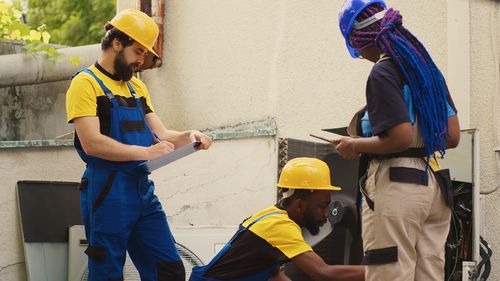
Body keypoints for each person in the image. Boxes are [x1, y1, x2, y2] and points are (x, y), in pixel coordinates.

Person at [65, 9, 212, 281]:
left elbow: (162, 134)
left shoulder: (137, 88)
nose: (141, 60)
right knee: (107, 272)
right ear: (116, 43)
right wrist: (146, 152)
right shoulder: (85, 84)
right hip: (106, 190)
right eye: (138, 51)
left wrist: (190, 135)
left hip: (141, 190)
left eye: (145, 54)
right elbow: (92, 143)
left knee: (168, 270)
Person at [335, 1, 460, 280]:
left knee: (389, 270)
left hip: (397, 186)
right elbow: (452, 137)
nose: (362, 56)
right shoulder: (428, 72)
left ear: (360, 39)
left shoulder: (383, 72)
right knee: (429, 271)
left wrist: (354, 145)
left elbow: (400, 138)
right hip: (434, 185)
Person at [189, 157, 365, 281]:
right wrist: (384, 273)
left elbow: (273, 274)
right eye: (322, 206)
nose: (327, 214)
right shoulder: (281, 227)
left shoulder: (269, 216)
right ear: (299, 205)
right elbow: (323, 273)